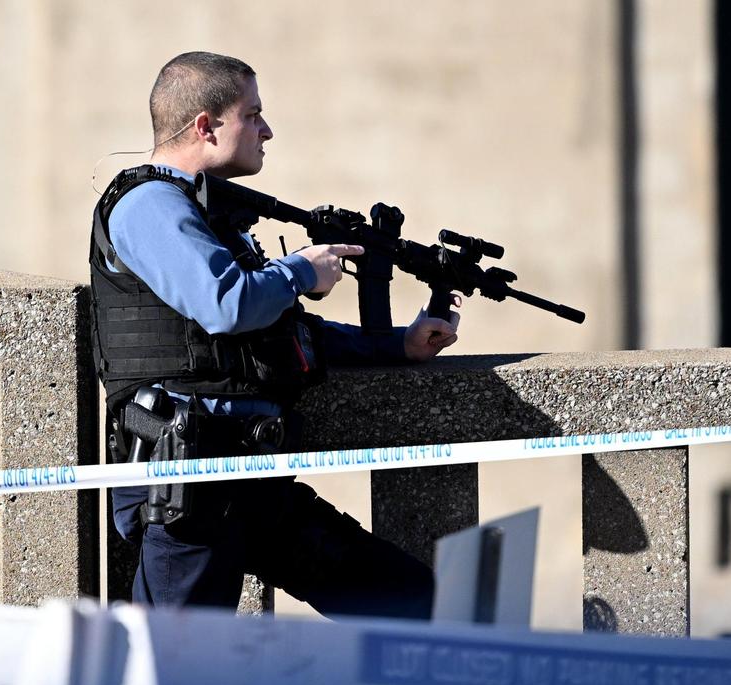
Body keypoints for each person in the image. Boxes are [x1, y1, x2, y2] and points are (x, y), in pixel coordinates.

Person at [89, 51, 460, 619]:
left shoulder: (208, 214)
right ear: (206, 127)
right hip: (187, 488)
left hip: (253, 480)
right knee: (176, 669)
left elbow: (280, 334)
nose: (267, 130)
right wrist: (300, 271)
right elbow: (226, 304)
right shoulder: (147, 205)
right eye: (252, 114)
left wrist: (396, 345)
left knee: (412, 601)